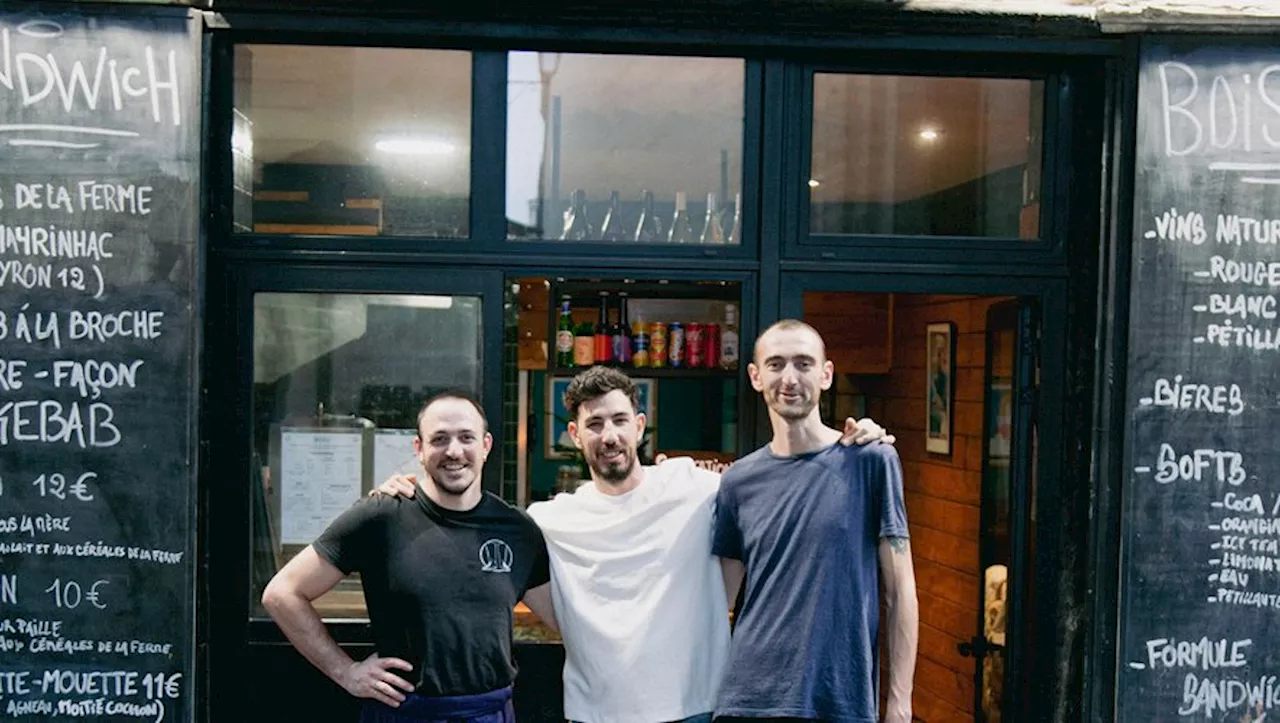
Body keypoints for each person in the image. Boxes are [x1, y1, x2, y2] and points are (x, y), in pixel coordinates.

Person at [377, 367, 892, 723]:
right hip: (598, 713)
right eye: (595, 424)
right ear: (575, 436)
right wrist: (402, 491)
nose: (609, 435)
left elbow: (780, 477)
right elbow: (462, 520)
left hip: (696, 707)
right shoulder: (548, 520)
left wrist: (852, 444)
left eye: (620, 421)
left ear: (640, 427)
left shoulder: (697, 486)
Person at [261, 392, 557, 723]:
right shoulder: (382, 516)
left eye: (466, 438)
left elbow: (562, 618)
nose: (454, 451)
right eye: (439, 439)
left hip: (488, 712)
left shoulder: (517, 529)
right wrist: (345, 671)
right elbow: (281, 594)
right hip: (405, 712)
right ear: (419, 449)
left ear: (486, 445)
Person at [712, 319, 918, 723]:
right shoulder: (738, 481)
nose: (790, 378)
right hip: (748, 698)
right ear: (756, 377)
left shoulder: (871, 461)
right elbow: (718, 602)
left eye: (804, 364)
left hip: (840, 698)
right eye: (776, 364)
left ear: (826, 375)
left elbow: (901, 592)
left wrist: (899, 702)